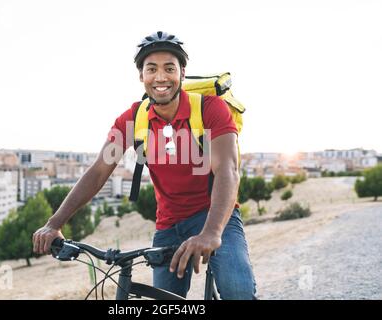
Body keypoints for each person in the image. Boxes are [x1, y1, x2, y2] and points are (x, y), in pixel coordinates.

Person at [33, 31, 256, 299]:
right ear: (141, 76)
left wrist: (211, 232)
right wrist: (54, 222)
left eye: (169, 68)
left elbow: (228, 170)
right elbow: (98, 172)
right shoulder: (132, 120)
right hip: (168, 225)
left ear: (182, 74)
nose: (160, 77)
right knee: (161, 300)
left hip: (215, 215)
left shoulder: (210, 109)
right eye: (151, 69)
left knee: (237, 290)